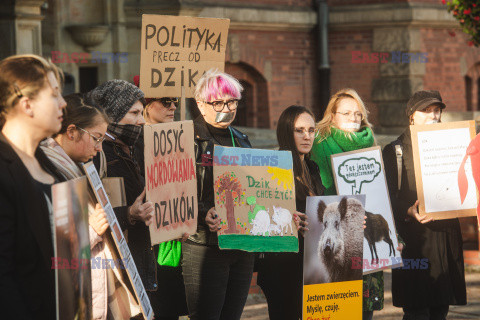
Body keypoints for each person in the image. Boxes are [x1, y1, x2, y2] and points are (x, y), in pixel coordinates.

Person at [40, 93, 141, 319]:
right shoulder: (47, 172)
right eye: (96, 138)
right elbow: (46, 246)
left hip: (93, 288)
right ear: (71, 131)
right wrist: (93, 230)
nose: (99, 148)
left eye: (103, 139)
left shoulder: (77, 167)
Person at [383, 90, 466, 320]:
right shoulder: (394, 151)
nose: (433, 115)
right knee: (417, 311)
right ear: (411, 115)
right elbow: (387, 195)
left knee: (441, 310)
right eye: (425, 110)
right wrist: (406, 211)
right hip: (414, 241)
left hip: (446, 237)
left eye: (436, 110)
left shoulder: (454, 146)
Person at [182, 69, 253, 320]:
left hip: (241, 247)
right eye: (218, 102)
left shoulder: (242, 140)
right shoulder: (187, 140)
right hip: (204, 246)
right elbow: (174, 191)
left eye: (231, 101)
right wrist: (203, 213)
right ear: (201, 105)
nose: (226, 107)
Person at [0, 54, 67, 319]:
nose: (63, 103)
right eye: (54, 95)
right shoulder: (4, 172)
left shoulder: (46, 161)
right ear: (27, 105)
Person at [310, 88, 382, 320]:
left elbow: (380, 194)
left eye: (357, 114)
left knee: (364, 311)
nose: (353, 118)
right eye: (346, 113)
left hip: (365, 237)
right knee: (336, 312)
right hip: (341, 236)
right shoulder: (319, 144)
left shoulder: (370, 144)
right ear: (332, 116)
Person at [86, 80, 156, 294]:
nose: (142, 121)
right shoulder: (94, 154)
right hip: (115, 267)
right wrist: (129, 214)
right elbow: (92, 213)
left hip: (141, 256)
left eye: (142, 113)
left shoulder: (135, 147)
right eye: (134, 113)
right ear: (112, 115)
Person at [257, 105, 324, 319]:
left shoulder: (312, 168)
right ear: (287, 132)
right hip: (283, 266)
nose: (307, 136)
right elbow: (262, 214)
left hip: (311, 264)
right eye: (299, 130)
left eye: (311, 130)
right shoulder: (274, 169)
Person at [132, 75, 188, 320]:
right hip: (146, 241)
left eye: (175, 100)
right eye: (166, 101)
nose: (173, 106)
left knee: (171, 309)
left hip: (174, 238)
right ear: (147, 105)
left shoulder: (179, 139)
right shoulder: (132, 143)